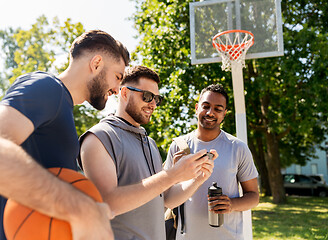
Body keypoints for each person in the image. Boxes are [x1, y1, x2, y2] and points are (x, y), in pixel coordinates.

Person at [0, 30, 130, 240]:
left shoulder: (63, 107)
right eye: (117, 77)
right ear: (96, 63)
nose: (118, 89)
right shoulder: (47, 87)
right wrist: (83, 209)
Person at [78, 65, 217, 240]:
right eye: (147, 96)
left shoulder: (149, 143)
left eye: (156, 99)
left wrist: (198, 178)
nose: (153, 104)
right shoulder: (98, 137)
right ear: (124, 93)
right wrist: (171, 176)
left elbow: (167, 199)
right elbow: (108, 203)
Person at [164, 84, 259, 240]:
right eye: (206, 106)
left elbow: (254, 196)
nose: (210, 113)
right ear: (196, 108)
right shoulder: (179, 146)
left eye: (218, 109)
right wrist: (177, 176)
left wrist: (232, 204)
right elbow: (166, 198)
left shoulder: (237, 147)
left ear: (224, 114)